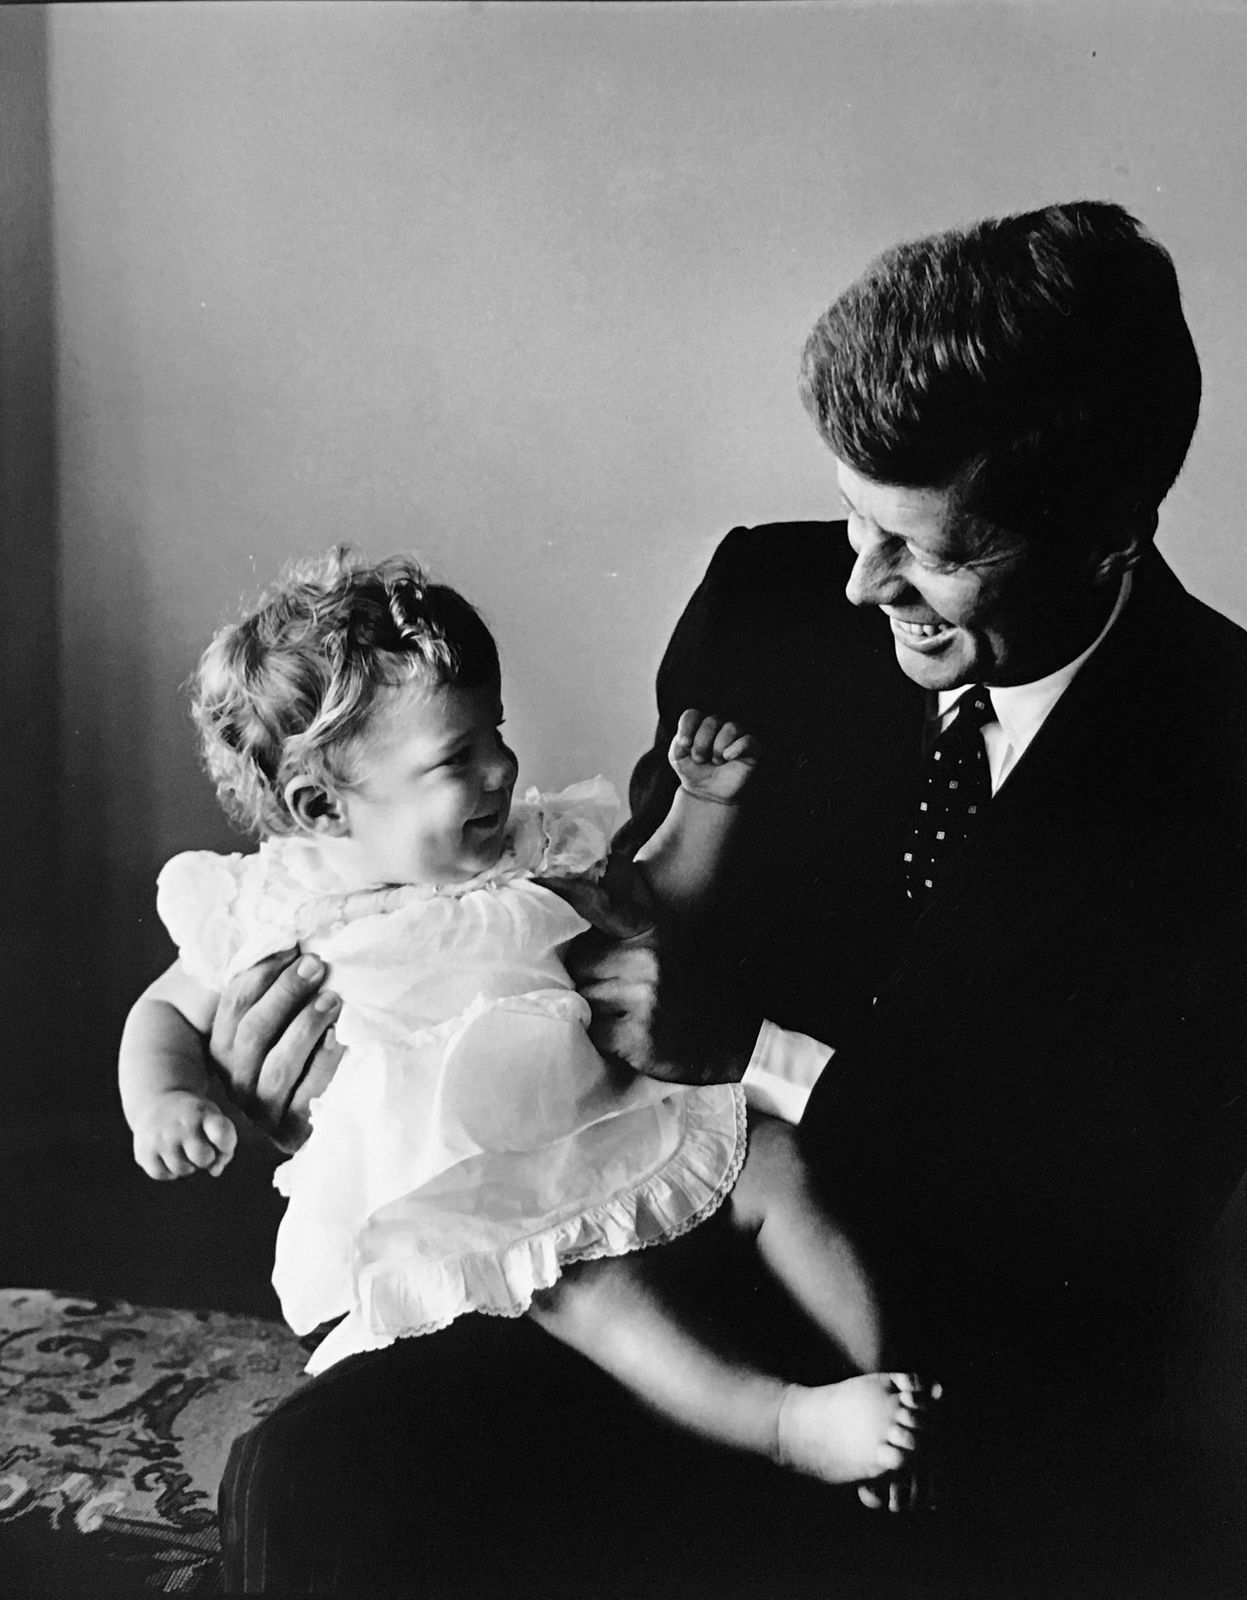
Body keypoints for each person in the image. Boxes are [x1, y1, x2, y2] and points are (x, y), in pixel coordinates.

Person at [210, 202, 1247, 1595]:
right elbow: (604, 933)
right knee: (323, 1475)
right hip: (662, 1260)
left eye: (925, 549)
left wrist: (749, 1051)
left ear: (1107, 532)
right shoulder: (769, 597)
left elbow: (1108, 1215)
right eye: (857, 515)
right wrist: (352, 1074)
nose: (863, 582)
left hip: (975, 1345)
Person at [118, 551, 933, 1499]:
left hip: (605, 1114)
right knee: (585, 1292)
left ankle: (895, 1375)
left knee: (775, 1161)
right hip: (472, 1193)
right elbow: (166, 1008)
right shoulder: (273, 904)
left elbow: (652, 900)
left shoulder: (529, 848)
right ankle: (786, 1423)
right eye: (456, 757)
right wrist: (165, 1099)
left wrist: (705, 806)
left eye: (494, 732)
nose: (502, 766)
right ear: (320, 806)